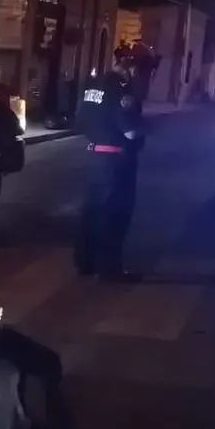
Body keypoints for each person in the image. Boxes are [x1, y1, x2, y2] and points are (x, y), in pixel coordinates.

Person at [74, 45, 145, 281]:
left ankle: (85, 263)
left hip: (95, 156)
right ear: (132, 67)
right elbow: (131, 132)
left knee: (91, 212)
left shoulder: (94, 84)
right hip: (117, 161)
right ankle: (110, 269)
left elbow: (81, 120)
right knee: (115, 214)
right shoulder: (123, 91)